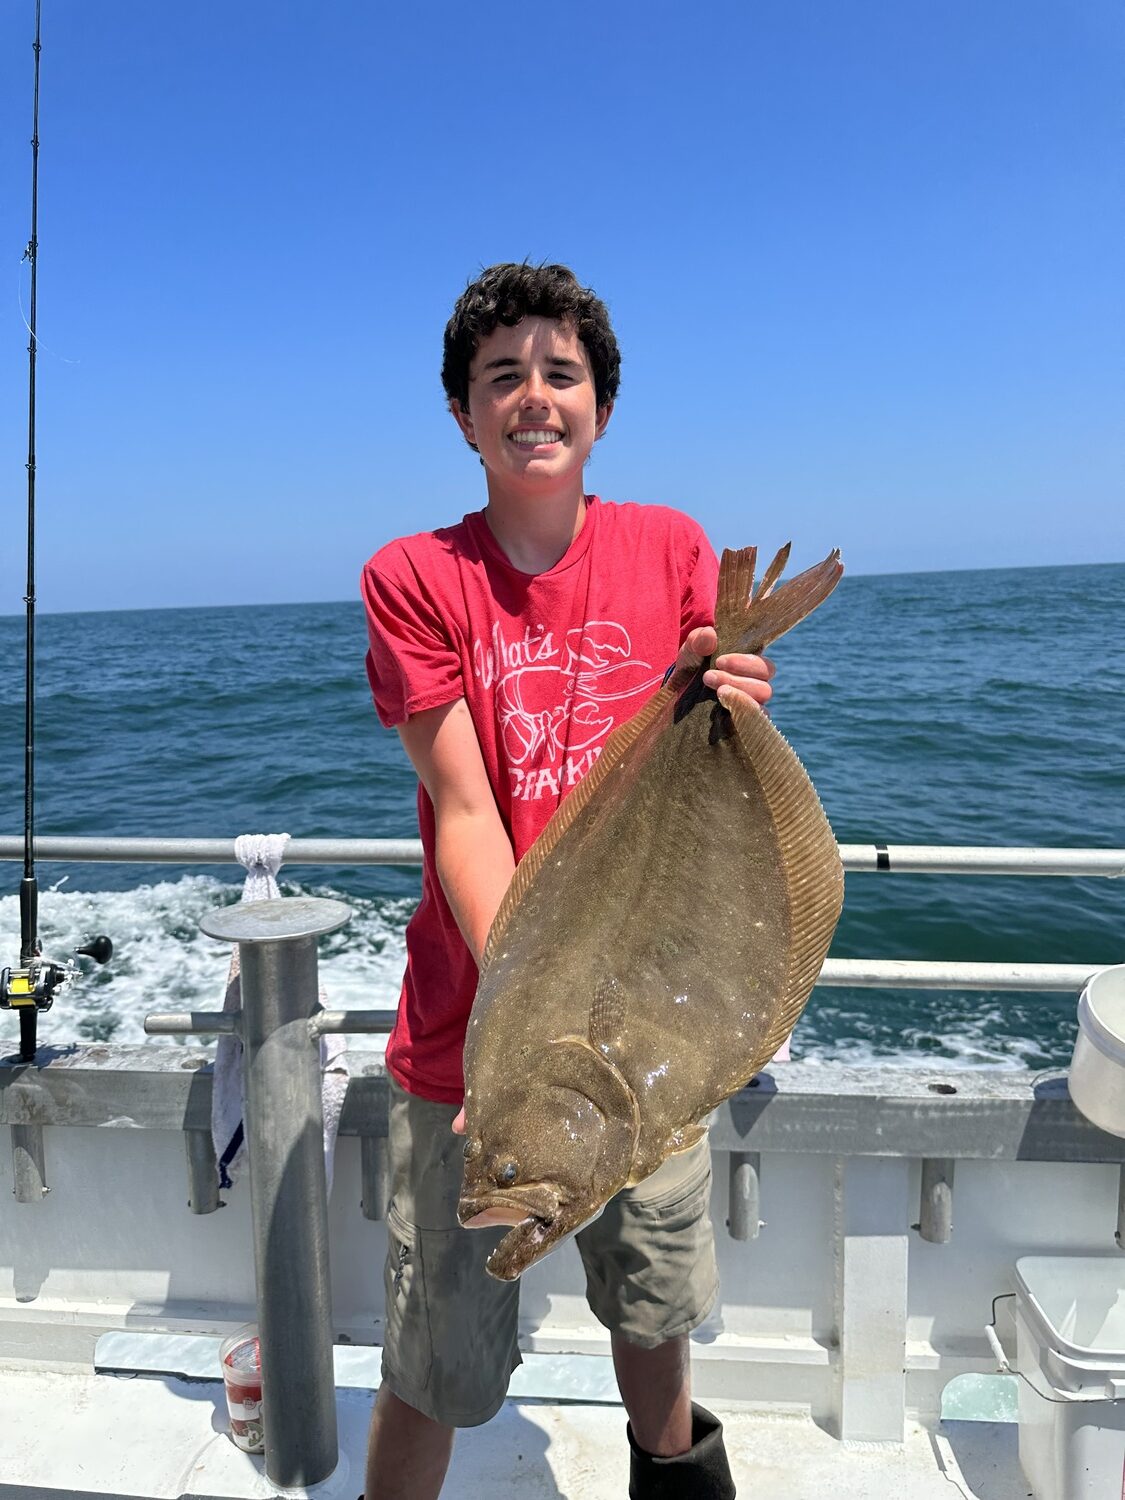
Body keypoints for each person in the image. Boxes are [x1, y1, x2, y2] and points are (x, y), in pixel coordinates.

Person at [361, 262, 775, 1500]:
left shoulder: (674, 548)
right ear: (463, 414)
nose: (534, 398)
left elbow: (711, 780)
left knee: (654, 1317)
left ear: (600, 405)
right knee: (435, 1363)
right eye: (504, 378)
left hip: (654, 1044)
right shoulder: (416, 579)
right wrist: (541, 1011)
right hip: (471, 1044)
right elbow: (467, 809)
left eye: (561, 374)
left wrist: (739, 698)